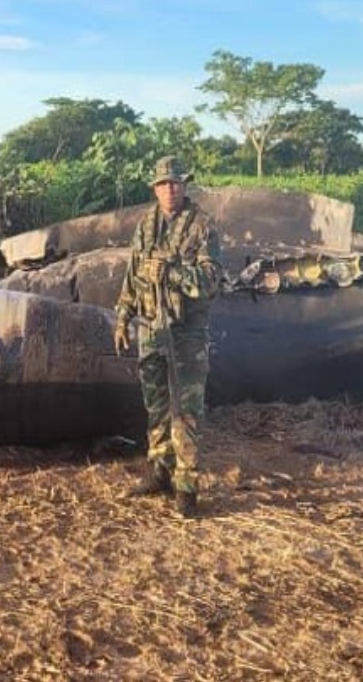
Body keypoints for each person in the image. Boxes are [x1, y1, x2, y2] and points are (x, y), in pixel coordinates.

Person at [114, 156, 222, 517]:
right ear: (155, 189)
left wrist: (173, 271)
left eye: (175, 182)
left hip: (186, 335)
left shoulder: (202, 226)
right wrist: (122, 318)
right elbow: (133, 276)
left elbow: (210, 281)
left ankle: (187, 489)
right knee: (156, 406)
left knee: (185, 412)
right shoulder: (146, 224)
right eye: (162, 184)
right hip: (151, 329)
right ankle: (160, 470)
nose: (169, 189)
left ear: (184, 185)